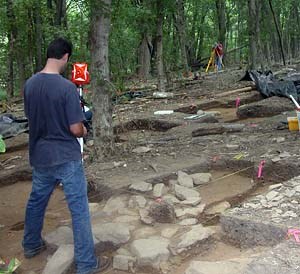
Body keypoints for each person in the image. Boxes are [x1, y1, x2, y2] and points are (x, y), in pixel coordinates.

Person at [22, 37, 110, 274]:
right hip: (66, 157)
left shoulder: (29, 84)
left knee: (36, 201)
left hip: (40, 155)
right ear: (65, 57)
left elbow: (33, 118)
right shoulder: (66, 88)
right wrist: (85, 129)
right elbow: (75, 128)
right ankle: (86, 263)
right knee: (79, 208)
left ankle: (30, 245)